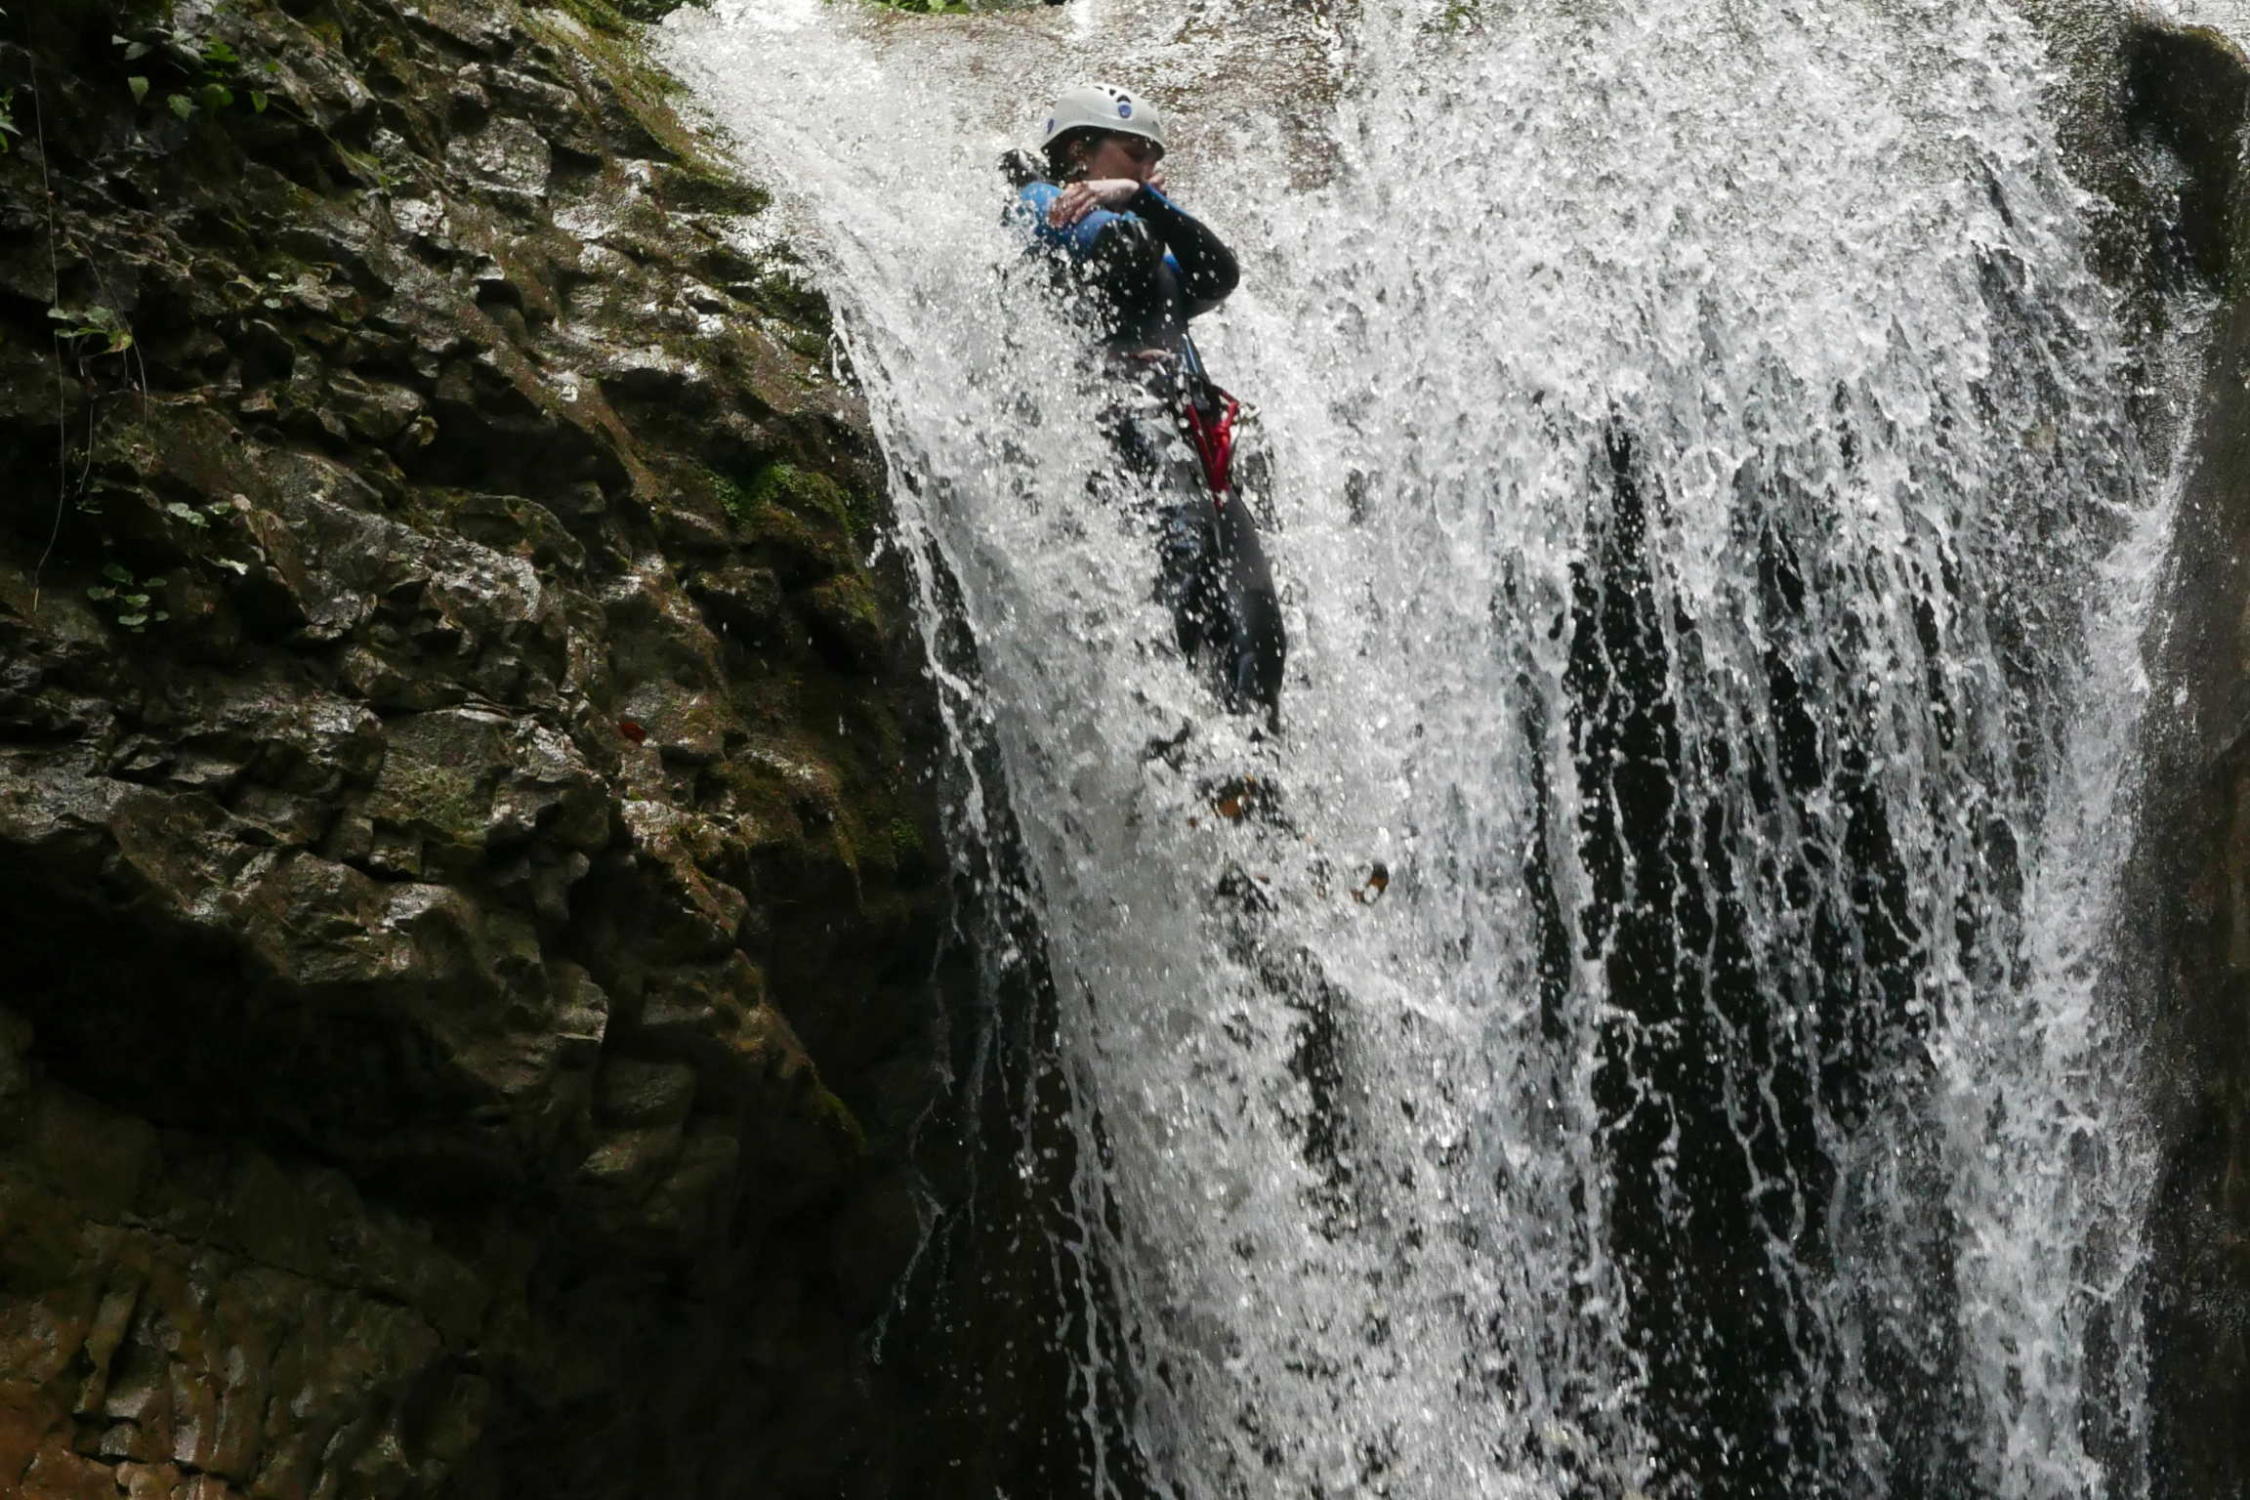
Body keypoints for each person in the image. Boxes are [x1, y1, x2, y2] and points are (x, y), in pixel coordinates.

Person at [1004, 83, 1286, 731]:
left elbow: (1219, 274)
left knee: (1258, 628)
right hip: (1125, 429)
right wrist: (1134, 207)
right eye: (1134, 153)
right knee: (1182, 591)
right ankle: (1177, 752)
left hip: (1190, 443)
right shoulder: (1039, 203)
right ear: (1079, 150)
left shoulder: (1138, 215)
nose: (1147, 168)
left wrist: (1144, 198)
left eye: (1153, 157)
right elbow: (1120, 257)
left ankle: (1251, 778)